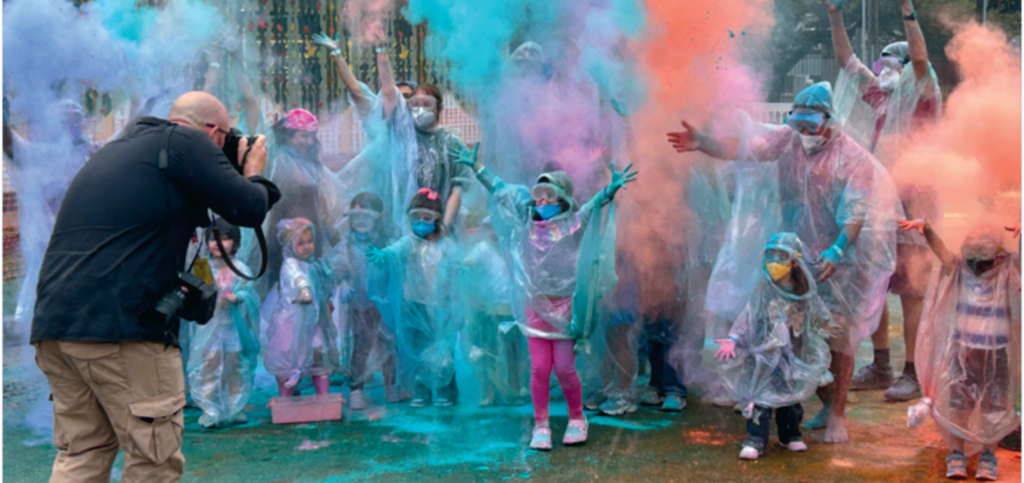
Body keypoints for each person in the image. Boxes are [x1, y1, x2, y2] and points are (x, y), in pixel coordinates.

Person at [30, 91, 278, 482]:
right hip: (121, 331)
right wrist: (253, 171)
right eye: (226, 140)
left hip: (56, 327)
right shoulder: (187, 141)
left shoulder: (122, 149)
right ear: (214, 132)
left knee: (84, 452)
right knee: (154, 461)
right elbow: (249, 208)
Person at [668, 82, 901, 443]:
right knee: (795, 339)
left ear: (829, 121)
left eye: (811, 125)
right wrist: (704, 143)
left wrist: (837, 251)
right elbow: (743, 148)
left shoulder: (853, 159)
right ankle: (821, 402)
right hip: (795, 260)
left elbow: (855, 214)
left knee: (840, 340)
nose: (804, 132)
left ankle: (838, 414)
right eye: (799, 123)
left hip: (840, 262)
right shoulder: (788, 139)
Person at [454, 142, 637, 450]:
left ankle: (577, 418)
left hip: (564, 307)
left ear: (563, 198)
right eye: (538, 194)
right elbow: (500, 190)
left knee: (565, 368)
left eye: (549, 195)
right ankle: (541, 425)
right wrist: (477, 168)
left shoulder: (573, 224)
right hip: (535, 306)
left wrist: (611, 189)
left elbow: (593, 205)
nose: (541, 200)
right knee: (539, 368)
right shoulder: (525, 224)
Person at [825, 0, 943, 402]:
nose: (883, 71)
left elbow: (922, 58)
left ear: (907, 68)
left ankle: (912, 372)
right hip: (880, 198)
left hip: (917, 200)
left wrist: (907, 10)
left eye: (892, 64)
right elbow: (847, 61)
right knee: (875, 277)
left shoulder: (924, 93)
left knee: (912, 289)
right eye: (881, 65)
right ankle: (880, 365)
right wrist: (835, 16)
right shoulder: (879, 98)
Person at [904, 221, 1020, 481]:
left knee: (995, 406)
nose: (978, 243)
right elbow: (942, 251)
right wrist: (927, 229)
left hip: (996, 352)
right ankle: (956, 454)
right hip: (962, 352)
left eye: (985, 238)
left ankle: (989, 457)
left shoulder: (1008, 269)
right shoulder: (958, 267)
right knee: (958, 405)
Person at [714, 233, 838, 460]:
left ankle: (790, 435)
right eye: (770, 255)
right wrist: (733, 338)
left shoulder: (803, 290)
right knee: (761, 398)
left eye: (780, 256)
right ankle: (755, 439)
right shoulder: (763, 289)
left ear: (793, 261)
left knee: (790, 399)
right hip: (764, 356)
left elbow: (816, 312)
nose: (774, 262)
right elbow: (747, 316)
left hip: (792, 357)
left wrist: (825, 326)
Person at [4, 99, 100, 340]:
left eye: (76, 120)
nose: (72, 126)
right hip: (48, 253)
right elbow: (10, 145)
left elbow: (123, 138)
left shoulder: (92, 153)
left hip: (87, 252)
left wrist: (143, 108)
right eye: (65, 120)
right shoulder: (39, 154)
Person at [368, 188, 464, 408]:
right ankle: (421, 389)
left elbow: (457, 267)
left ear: (437, 218)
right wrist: (384, 254)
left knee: (443, 349)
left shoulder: (446, 245)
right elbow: (395, 249)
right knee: (419, 349)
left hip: (442, 305)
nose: (420, 223)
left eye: (426, 218)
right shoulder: (409, 243)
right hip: (416, 305)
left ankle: (446, 389)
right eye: (415, 217)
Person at [327, 192, 403, 409]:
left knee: (389, 345)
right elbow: (334, 266)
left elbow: (399, 264)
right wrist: (342, 284)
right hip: (360, 304)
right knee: (360, 347)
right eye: (355, 215)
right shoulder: (347, 245)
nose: (360, 221)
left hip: (385, 304)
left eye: (365, 215)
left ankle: (390, 385)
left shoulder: (387, 243)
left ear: (377, 218)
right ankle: (356, 388)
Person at [260, 108, 346, 298]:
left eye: (311, 137)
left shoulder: (310, 164)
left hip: (309, 236)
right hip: (283, 237)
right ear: (288, 136)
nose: (307, 142)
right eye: (302, 136)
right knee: (285, 287)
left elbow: (320, 200)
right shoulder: (278, 161)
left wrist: (330, 230)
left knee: (311, 285)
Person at [188, 218, 261, 429]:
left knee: (233, 366)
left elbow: (247, 289)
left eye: (225, 239)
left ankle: (233, 407)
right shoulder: (203, 266)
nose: (217, 243)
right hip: (209, 328)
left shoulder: (240, 267)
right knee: (209, 364)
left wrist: (236, 297)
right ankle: (210, 408)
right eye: (213, 239)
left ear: (236, 244)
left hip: (232, 328)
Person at [458, 216, 530, 407]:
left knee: (514, 351)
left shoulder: (513, 247)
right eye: (490, 228)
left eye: (499, 228)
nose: (495, 233)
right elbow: (468, 262)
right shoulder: (483, 248)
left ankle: (515, 388)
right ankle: (488, 391)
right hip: (489, 309)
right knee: (488, 350)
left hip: (512, 308)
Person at [265, 217, 339, 398]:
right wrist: (305, 292)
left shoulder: (311, 264)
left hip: (311, 322)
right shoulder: (290, 264)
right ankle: (286, 398)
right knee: (288, 359)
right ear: (290, 245)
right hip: (292, 323)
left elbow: (318, 286)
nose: (306, 247)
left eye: (310, 241)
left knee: (318, 354)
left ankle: (323, 395)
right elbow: (299, 279)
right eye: (300, 243)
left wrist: (324, 301)